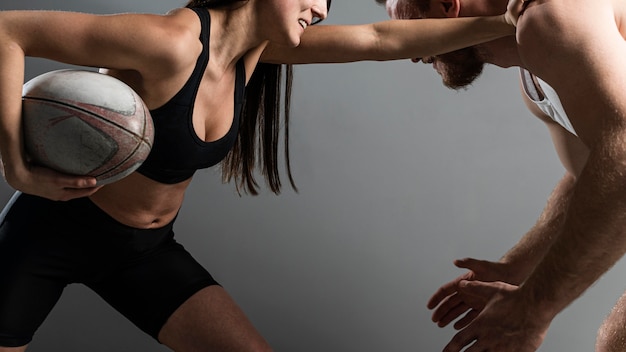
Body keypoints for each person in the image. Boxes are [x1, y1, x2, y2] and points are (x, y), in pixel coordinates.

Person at [0, 1, 524, 351]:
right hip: (49, 236)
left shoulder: (254, 53)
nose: (319, 8)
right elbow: (8, 31)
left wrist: (506, 20)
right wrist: (15, 165)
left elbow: (380, 37)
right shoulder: (170, 43)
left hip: (144, 251)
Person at [379, 0, 626, 351]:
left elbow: (621, 162)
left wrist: (532, 309)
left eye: (410, 30)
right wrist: (515, 267)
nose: (414, 55)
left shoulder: (550, 19)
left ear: (448, 5)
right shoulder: (534, 82)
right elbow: (593, 173)